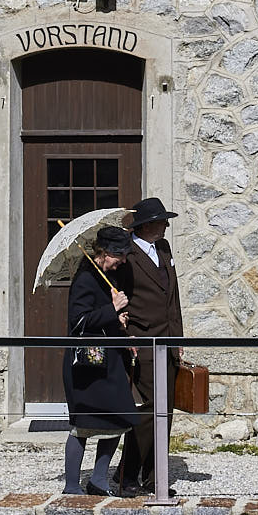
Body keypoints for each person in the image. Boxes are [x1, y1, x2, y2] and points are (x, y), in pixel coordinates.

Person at [62, 230, 143, 495]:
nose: (123, 261)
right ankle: (72, 486)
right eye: (119, 255)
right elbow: (79, 322)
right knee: (84, 424)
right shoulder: (85, 279)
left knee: (120, 418)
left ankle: (98, 480)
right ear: (104, 253)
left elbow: (101, 319)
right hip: (87, 365)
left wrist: (118, 322)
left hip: (108, 362)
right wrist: (113, 309)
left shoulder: (106, 277)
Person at [121, 195, 185, 493]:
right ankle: (128, 474)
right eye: (161, 221)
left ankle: (154, 478)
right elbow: (118, 297)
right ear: (146, 225)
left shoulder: (164, 248)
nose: (166, 226)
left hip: (167, 340)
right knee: (148, 410)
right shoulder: (128, 253)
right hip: (142, 341)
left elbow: (173, 296)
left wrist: (178, 337)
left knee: (165, 411)